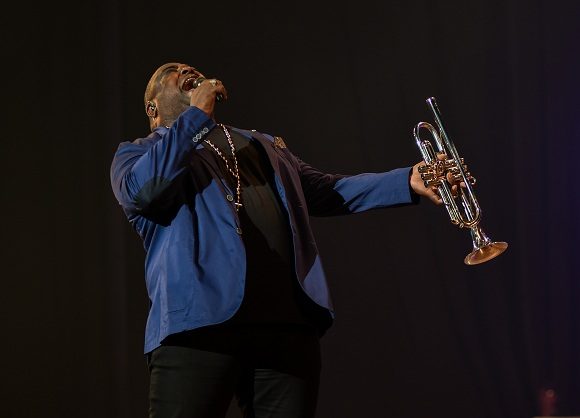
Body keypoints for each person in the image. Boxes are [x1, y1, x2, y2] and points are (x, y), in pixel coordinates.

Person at [110, 62, 446, 418]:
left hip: (284, 327)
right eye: (174, 71)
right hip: (198, 326)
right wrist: (196, 116)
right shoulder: (136, 154)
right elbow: (145, 191)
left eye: (191, 66)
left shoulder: (262, 144)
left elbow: (326, 190)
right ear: (153, 108)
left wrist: (407, 179)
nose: (187, 69)